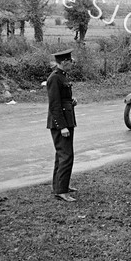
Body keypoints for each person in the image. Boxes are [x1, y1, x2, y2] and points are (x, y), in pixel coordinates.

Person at [46, 49, 78, 202]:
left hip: (67, 119)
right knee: (66, 156)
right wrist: (62, 126)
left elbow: (62, 99)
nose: (72, 63)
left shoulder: (62, 76)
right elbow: (54, 104)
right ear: (64, 62)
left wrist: (71, 101)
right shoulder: (54, 78)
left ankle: (59, 186)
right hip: (61, 123)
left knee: (61, 155)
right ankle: (61, 191)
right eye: (70, 61)